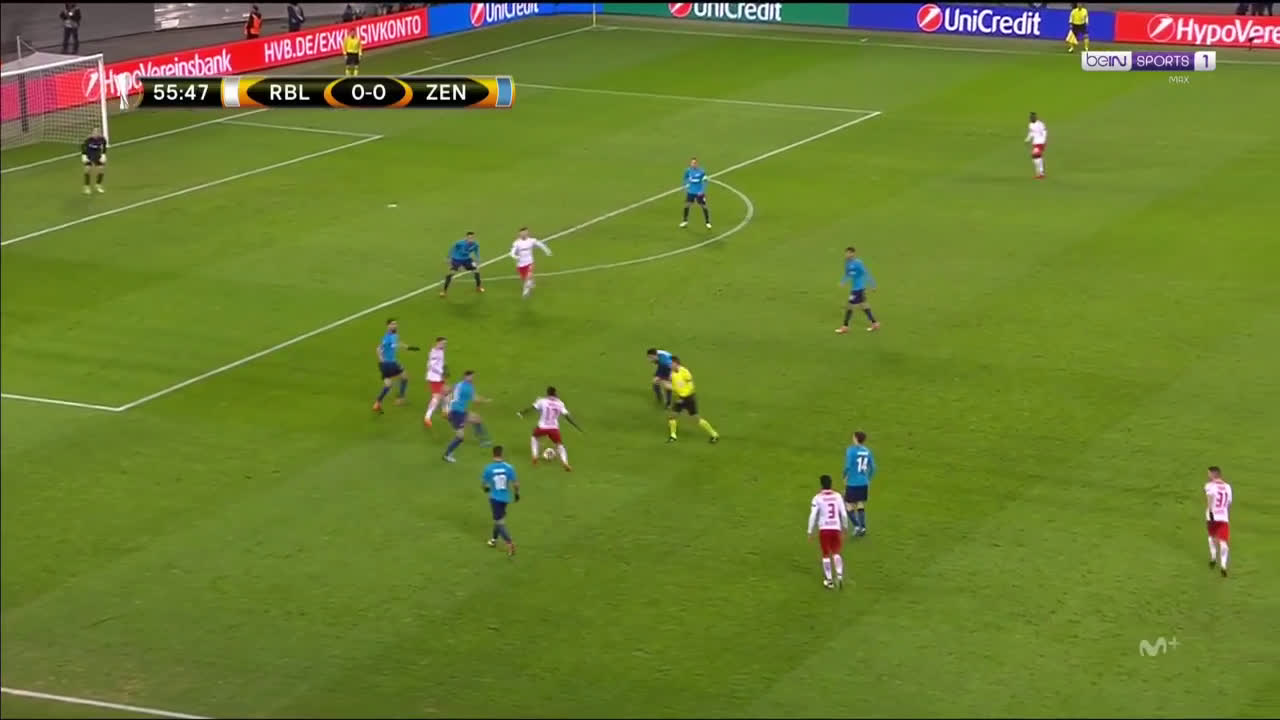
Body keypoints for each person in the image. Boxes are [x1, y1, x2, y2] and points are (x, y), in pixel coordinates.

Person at [518, 386, 582, 471]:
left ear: (547, 393)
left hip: (542, 427)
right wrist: (575, 425)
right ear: (555, 393)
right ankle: (565, 462)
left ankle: (535, 455)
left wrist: (522, 413)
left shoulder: (542, 401)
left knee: (534, 437)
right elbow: (567, 416)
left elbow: (532, 408)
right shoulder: (560, 403)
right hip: (554, 428)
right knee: (560, 445)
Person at [808, 474, 851, 589]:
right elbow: (843, 514)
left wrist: (810, 530)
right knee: (836, 552)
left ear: (821, 485)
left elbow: (813, 515)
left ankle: (829, 580)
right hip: (836, 528)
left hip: (824, 529)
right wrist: (845, 527)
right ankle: (840, 575)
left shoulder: (817, 498)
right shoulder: (837, 496)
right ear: (831, 484)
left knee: (826, 554)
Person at [666, 356, 719, 444]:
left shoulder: (684, 371)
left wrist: (683, 398)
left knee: (696, 419)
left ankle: (714, 434)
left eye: (671, 363)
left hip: (688, 398)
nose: (669, 365)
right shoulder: (672, 373)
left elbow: (691, 386)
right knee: (672, 416)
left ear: (676, 363)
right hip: (679, 398)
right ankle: (673, 436)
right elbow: (675, 386)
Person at [443, 370, 491, 462]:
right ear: (465, 377)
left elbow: (447, 391)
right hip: (457, 413)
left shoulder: (459, 384)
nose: (472, 378)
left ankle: (483, 441)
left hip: (459, 411)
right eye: (470, 377)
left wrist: (446, 398)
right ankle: (447, 455)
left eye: (473, 376)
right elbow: (475, 399)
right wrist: (485, 401)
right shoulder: (468, 387)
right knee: (460, 437)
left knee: (477, 419)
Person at [482, 446, 518, 556]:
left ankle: (510, 543)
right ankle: (493, 540)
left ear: (493, 454)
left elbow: (484, 485)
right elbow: (516, 484)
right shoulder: (509, 467)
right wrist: (516, 494)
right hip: (505, 498)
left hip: (495, 499)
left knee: (499, 522)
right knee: (499, 520)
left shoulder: (489, 468)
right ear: (502, 454)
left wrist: (486, 489)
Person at [836, 246, 878, 334]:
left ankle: (845, 327)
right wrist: (843, 281)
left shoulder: (858, 263)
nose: (846, 255)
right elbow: (848, 274)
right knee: (864, 306)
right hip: (856, 289)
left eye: (848, 253)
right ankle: (875, 323)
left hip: (858, 289)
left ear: (853, 254)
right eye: (846, 253)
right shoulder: (847, 263)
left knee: (849, 307)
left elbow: (866, 273)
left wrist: (873, 285)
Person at [843, 431, 876, 536]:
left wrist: (844, 476)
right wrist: (868, 479)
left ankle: (857, 526)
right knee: (860, 503)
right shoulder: (867, 451)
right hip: (863, 482)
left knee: (848, 505)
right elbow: (873, 468)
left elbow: (848, 466)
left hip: (852, 482)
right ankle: (863, 527)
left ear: (856, 438)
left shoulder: (851, 450)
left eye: (853, 437)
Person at [1204, 466, 1233, 578]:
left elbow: (1210, 499)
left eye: (1209, 473)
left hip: (1212, 516)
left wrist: (1211, 512)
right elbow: (1229, 502)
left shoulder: (1209, 486)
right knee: (1223, 541)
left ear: (1213, 474)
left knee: (1211, 537)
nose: (1208, 475)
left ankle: (1213, 557)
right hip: (1224, 517)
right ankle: (1223, 565)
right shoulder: (1228, 487)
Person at [509, 227, 552, 299]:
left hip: (530, 262)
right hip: (520, 264)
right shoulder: (516, 243)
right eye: (522, 233)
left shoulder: (532, 240)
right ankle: (530, 283)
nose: (524, 234)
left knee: (528, 276)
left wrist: (547, 251)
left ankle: (525, 291)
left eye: (525, 232)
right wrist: (515, 256)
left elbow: (540, 244)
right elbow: (512, 252)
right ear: (519, 234)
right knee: (525, 279)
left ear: (527, 233)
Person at [441, 231, 483, 297]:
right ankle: (444, 291)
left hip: (467, 259)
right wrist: (448, 257)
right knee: (451, 273)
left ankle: (478, 287)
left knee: (476, 270)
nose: (471, 239)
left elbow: (476, 252)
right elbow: (452, 248)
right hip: (457, 259)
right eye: (469, 238)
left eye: (472, 238)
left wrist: (478, 258)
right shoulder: (460, 243)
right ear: (466, 237)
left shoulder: (475, 244)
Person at [423, 336, 448, 427]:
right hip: (434, 377)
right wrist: (441, 372)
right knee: (436, 397)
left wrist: (444, 368)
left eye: (445, 343)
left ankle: (445, 411)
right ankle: (427, 417)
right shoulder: (434, 353)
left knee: (446, 393)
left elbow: (440, 362)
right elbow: (431, 366)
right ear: (437, 343)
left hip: (439, 377)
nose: (444, 345)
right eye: (443, 343)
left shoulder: (441, 350)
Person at [680, 157, 711, 229]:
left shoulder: (701, 172)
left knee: (703, 206)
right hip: (691, 192)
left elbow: (705, 181)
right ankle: (685, 221)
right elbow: (685, 178)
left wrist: (702, 191)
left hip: (699, 192)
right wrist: (684, 185)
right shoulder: (688, 171)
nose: (693, 164)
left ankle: (707, 222)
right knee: (687, 205)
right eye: (692, 163)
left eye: (694, 163)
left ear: (697, 164)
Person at [80, 126, 106, 195]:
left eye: (97, 132)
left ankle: (98, 185)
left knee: (101, 169)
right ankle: (87, 187)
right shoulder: (88, 139)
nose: (96, 133)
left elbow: (104, 146)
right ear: (92, 132)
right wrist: (84, 155)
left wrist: (103, 154)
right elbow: (83, 146)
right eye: (95, 132)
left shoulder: (102, 139)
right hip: (89, 155)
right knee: (87, 170)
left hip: (97, 155)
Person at [1026, 111, 1047, 179]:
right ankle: (1041, 173)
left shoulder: (1040, 124)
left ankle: (1040, 174)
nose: (1031, 118)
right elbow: (1031, 133)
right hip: (1035, 143)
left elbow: (1044, 131)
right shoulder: (1030, 124)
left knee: (1035, 156)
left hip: (1040, 143)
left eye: (1032, 117)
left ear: (1035, 117)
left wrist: (1043, 141)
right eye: (1030, 117)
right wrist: (1027, 139)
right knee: (1037, 158)